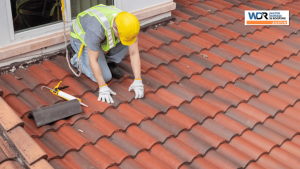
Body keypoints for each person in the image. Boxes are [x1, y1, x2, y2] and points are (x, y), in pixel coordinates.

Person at [67, 4, 144, 104]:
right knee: (105, 77)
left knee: (127, 42)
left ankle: (106, 61)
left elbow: (134, 53)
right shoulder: (96, 29)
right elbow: (93, 60)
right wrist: (103, 87)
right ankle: (75, 57)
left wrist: (138, 80)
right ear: (114, 28)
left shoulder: (128, 24)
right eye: (120, 36)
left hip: (98, 38)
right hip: (81, 39)